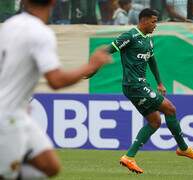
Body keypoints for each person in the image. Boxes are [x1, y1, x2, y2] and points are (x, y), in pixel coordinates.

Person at [0, 0, 112, 179]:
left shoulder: (8, 26)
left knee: (50, 166)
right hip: (7, 117)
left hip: (16, 111)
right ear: (54, 2)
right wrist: (92, 65)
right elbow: (56, 80)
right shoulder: (41, 33)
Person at [105, 8, 193, 174]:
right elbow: (108, 51)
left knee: (155, 121)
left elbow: (152, 61)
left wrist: (160, 83)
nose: (156, 25)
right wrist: (91, 68)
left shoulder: (148, 40)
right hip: (135, 85)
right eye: (154, 21)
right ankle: (183, 148)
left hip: (140, 85)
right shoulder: (130, 36)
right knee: (170, 109)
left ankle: (129, 157)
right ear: (144, 20)